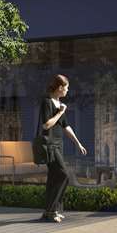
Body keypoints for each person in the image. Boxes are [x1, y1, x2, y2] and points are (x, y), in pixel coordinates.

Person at [37, 75, 90, 223]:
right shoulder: (47, 102)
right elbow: (46, 125)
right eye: (66, 88)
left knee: (54, 178)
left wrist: (78, 143)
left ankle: (51, 211)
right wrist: (60, 112)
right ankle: (52, 210)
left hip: (59, 144)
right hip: (50, 144)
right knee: (63, 175)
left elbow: (66, 126)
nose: (67, 90)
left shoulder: (59, 103)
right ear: (60, 88)